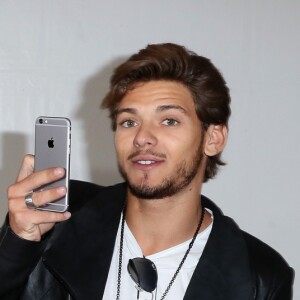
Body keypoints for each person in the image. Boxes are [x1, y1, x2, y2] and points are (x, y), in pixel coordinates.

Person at [0, 43, 294, 300]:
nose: (142, 137)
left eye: (169, 121)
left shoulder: (260, 276)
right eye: (129, 122)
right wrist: (15, 247)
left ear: (212, 138)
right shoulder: (53, 220)